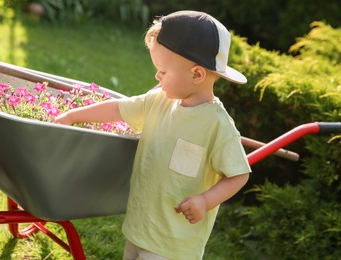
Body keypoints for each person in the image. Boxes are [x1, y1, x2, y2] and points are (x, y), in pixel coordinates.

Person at [55, 10, 251, 260]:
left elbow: (238, 174)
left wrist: (205, 200)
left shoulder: (217, 125)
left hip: (174, 243)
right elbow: (118, 107)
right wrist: (73, 116)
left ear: (197, 74)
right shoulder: (159, 100)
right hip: (141, 228)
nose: (156, 77)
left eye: (163, 71)